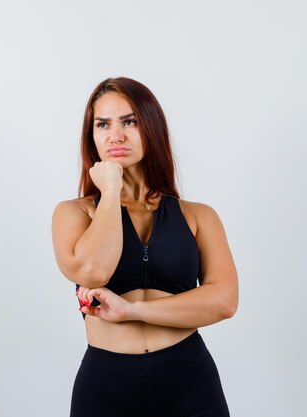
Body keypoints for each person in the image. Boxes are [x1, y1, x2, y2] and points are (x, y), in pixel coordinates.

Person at [51, 77, 238, 417]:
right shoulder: (74, 213)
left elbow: (223, 302)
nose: (116, 135)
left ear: (151, 127)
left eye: (130, 121)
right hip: (107, 387)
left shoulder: (198, 216)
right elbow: (94, 270)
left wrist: (133, 311)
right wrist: (110, 191)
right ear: (92, 137)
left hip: (189, 380)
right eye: (103, 124)